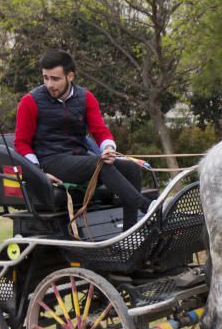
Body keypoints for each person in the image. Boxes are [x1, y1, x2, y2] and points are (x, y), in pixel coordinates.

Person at [14, 49, 151, 226]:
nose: (49, 84)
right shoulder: (29, 101)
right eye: (45, 78)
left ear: (70, 76)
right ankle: (147, 207)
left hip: (78, 159)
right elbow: (21, 143)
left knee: (131, 169)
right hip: (50, 161)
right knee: (99, 165)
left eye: (55, 79)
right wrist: (37, 172)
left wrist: (108, 149)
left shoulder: (86, 98)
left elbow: (100, 131)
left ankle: (131, 232)